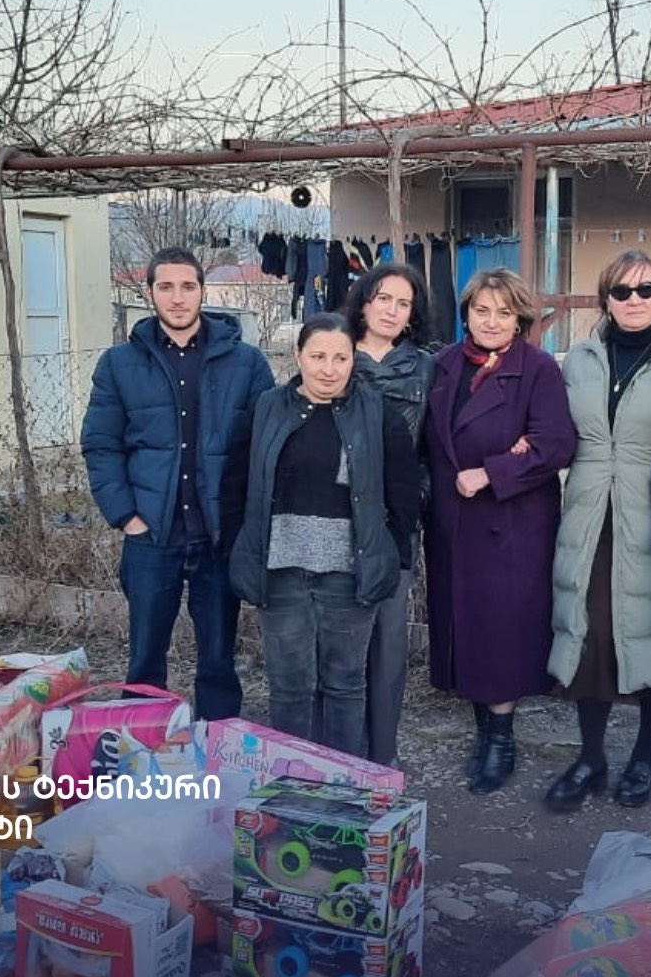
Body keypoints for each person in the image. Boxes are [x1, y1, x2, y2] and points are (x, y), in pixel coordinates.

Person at [544, 252, 651, 813]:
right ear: (606, 301)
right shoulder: (583, 359)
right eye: (621, 292)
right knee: (590, 631)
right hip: (591, 512)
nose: (634, 300)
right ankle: (591, 756)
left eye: (646, 288)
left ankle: (645, 754)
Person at [80, 247, 276, 721]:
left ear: (203, 291)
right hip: (152, 536)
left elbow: (265, 445)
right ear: (149, 292)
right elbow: (101, 445)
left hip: (217, 536)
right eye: (165, 287)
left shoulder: (246, 364)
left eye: (188, 286)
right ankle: (143, 757)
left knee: (218, 660)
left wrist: (245, 520)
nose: (177, 297)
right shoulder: (119, 364)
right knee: (146, 659)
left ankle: (218, 753)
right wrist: (126, 517)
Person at [222, 313, 422, 757]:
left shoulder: (378, 414)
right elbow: (235, 484)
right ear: (298, 357)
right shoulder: (265, 409)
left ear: (354, 360)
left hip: (349, 574)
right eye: (317, 356)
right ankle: (292, 779)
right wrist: (239, 548)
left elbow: (404, 491)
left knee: (345, 684)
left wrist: (391, 551)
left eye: (340, 357)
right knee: (290, 684)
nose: (328, 368)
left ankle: (341, 783)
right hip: (281, 570)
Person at [423, 268, 577, 795]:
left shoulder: (537, 370)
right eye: (482, 310)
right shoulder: (443, 365)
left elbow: (556, 443)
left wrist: (493, 471)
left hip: (510, 525)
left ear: (520, 319)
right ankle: (481, 730)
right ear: (466, 313)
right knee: (464, 629)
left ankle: (501, 739)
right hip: (451, 522)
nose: (491, 322)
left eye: (503, 313)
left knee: (501, 634)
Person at [343, 263, 437, 766]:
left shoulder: (425, 367)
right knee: (337, 640)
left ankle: (382, 758)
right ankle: (337, 752)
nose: (392, 310)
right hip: (334, 516)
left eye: (403, 303)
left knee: (388, 642)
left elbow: (434, 448)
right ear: (363, 301)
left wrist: (415, 497)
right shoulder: (336, 352)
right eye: (383, 298)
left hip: (395, 522)